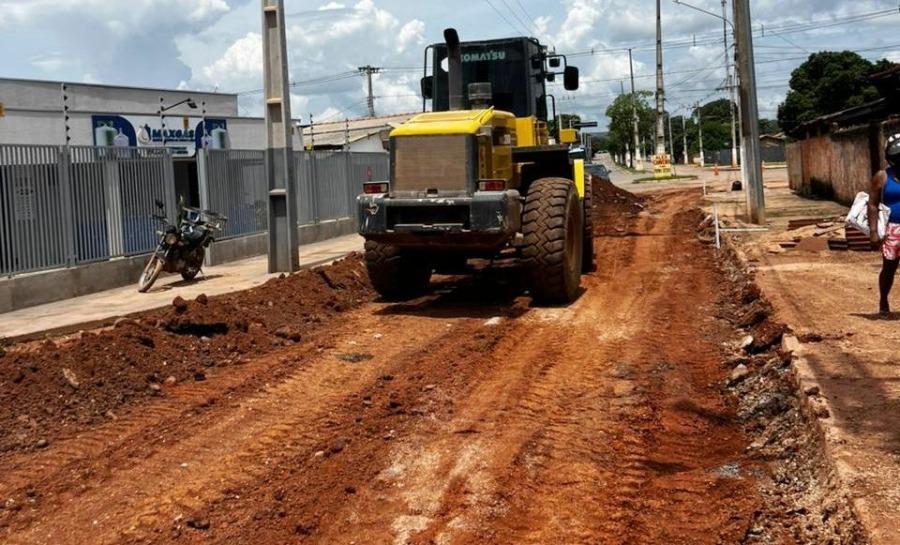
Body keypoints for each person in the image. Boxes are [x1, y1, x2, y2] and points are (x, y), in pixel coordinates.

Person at [869, 133, 900, 316]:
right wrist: (873, 231)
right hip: (893, 229)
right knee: (889, 267)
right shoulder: (882, 176)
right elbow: (872, 205)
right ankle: (883, 299)